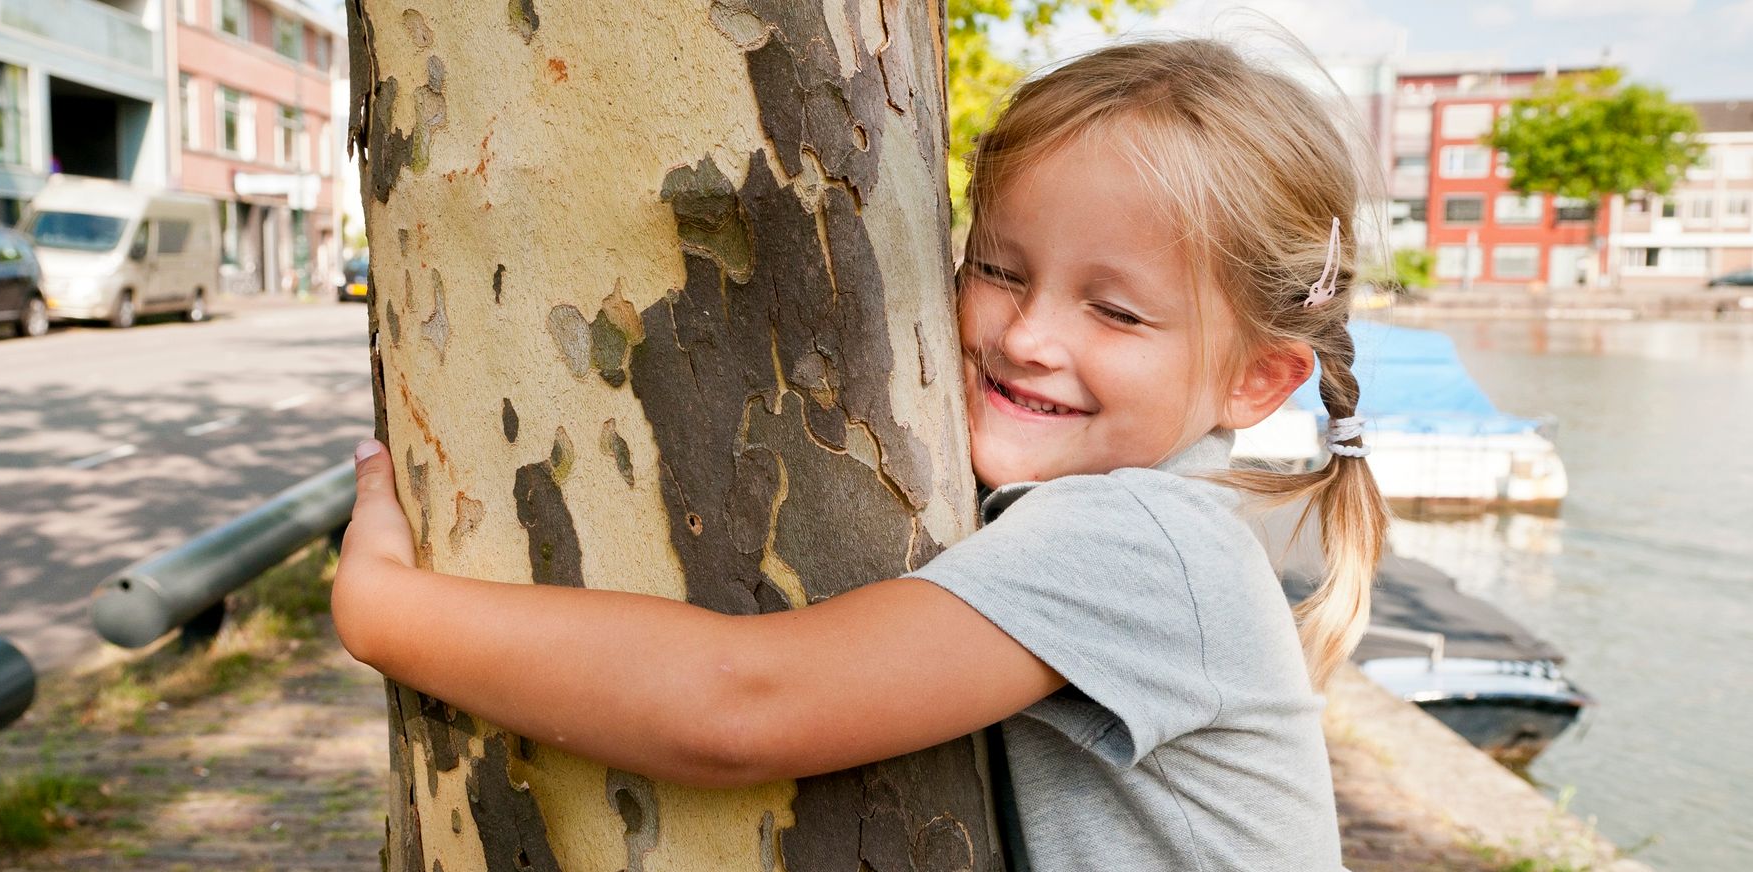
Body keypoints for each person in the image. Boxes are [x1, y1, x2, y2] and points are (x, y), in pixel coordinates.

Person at [332, 37, 1388, 870]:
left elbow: (742, 704)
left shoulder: (1140, 538)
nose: (1026, 336)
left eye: (1113, 309)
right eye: (997, 268)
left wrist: (387, 612)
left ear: (1257, 378)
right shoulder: (1127, 510)